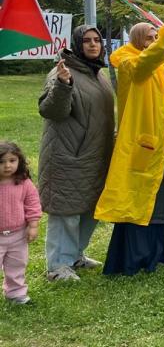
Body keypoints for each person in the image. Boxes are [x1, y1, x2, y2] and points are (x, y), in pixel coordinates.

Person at [95, 15, 164, 276]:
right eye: (149, 36)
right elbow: (144, 65)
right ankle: (138, 258)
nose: (154, 40)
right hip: (145, 147)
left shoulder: (160, 65)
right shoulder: (129, 62)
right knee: (143, 203)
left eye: (156, 37)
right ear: (137, 38)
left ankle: (162, 252)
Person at [37, 25, 115, 282]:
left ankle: (75, 256)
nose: (93, 44)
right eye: (87, 41)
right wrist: (63, 84)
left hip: (95, 156)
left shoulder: (98, 74)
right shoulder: (62, 72)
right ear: (77, 44)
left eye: (97, 40)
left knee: (89, 209)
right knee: (66, 212)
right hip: (68, 156)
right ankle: (58, 266)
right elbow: (51, 111)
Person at [0, 142, 42, 305]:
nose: (7, 166)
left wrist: (33, 225)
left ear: (19, 161)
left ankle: (15, 293)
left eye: (12, 160)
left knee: (17, 265)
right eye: (1, 162)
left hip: (18, 235)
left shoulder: (24, 183)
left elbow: (33, 204)